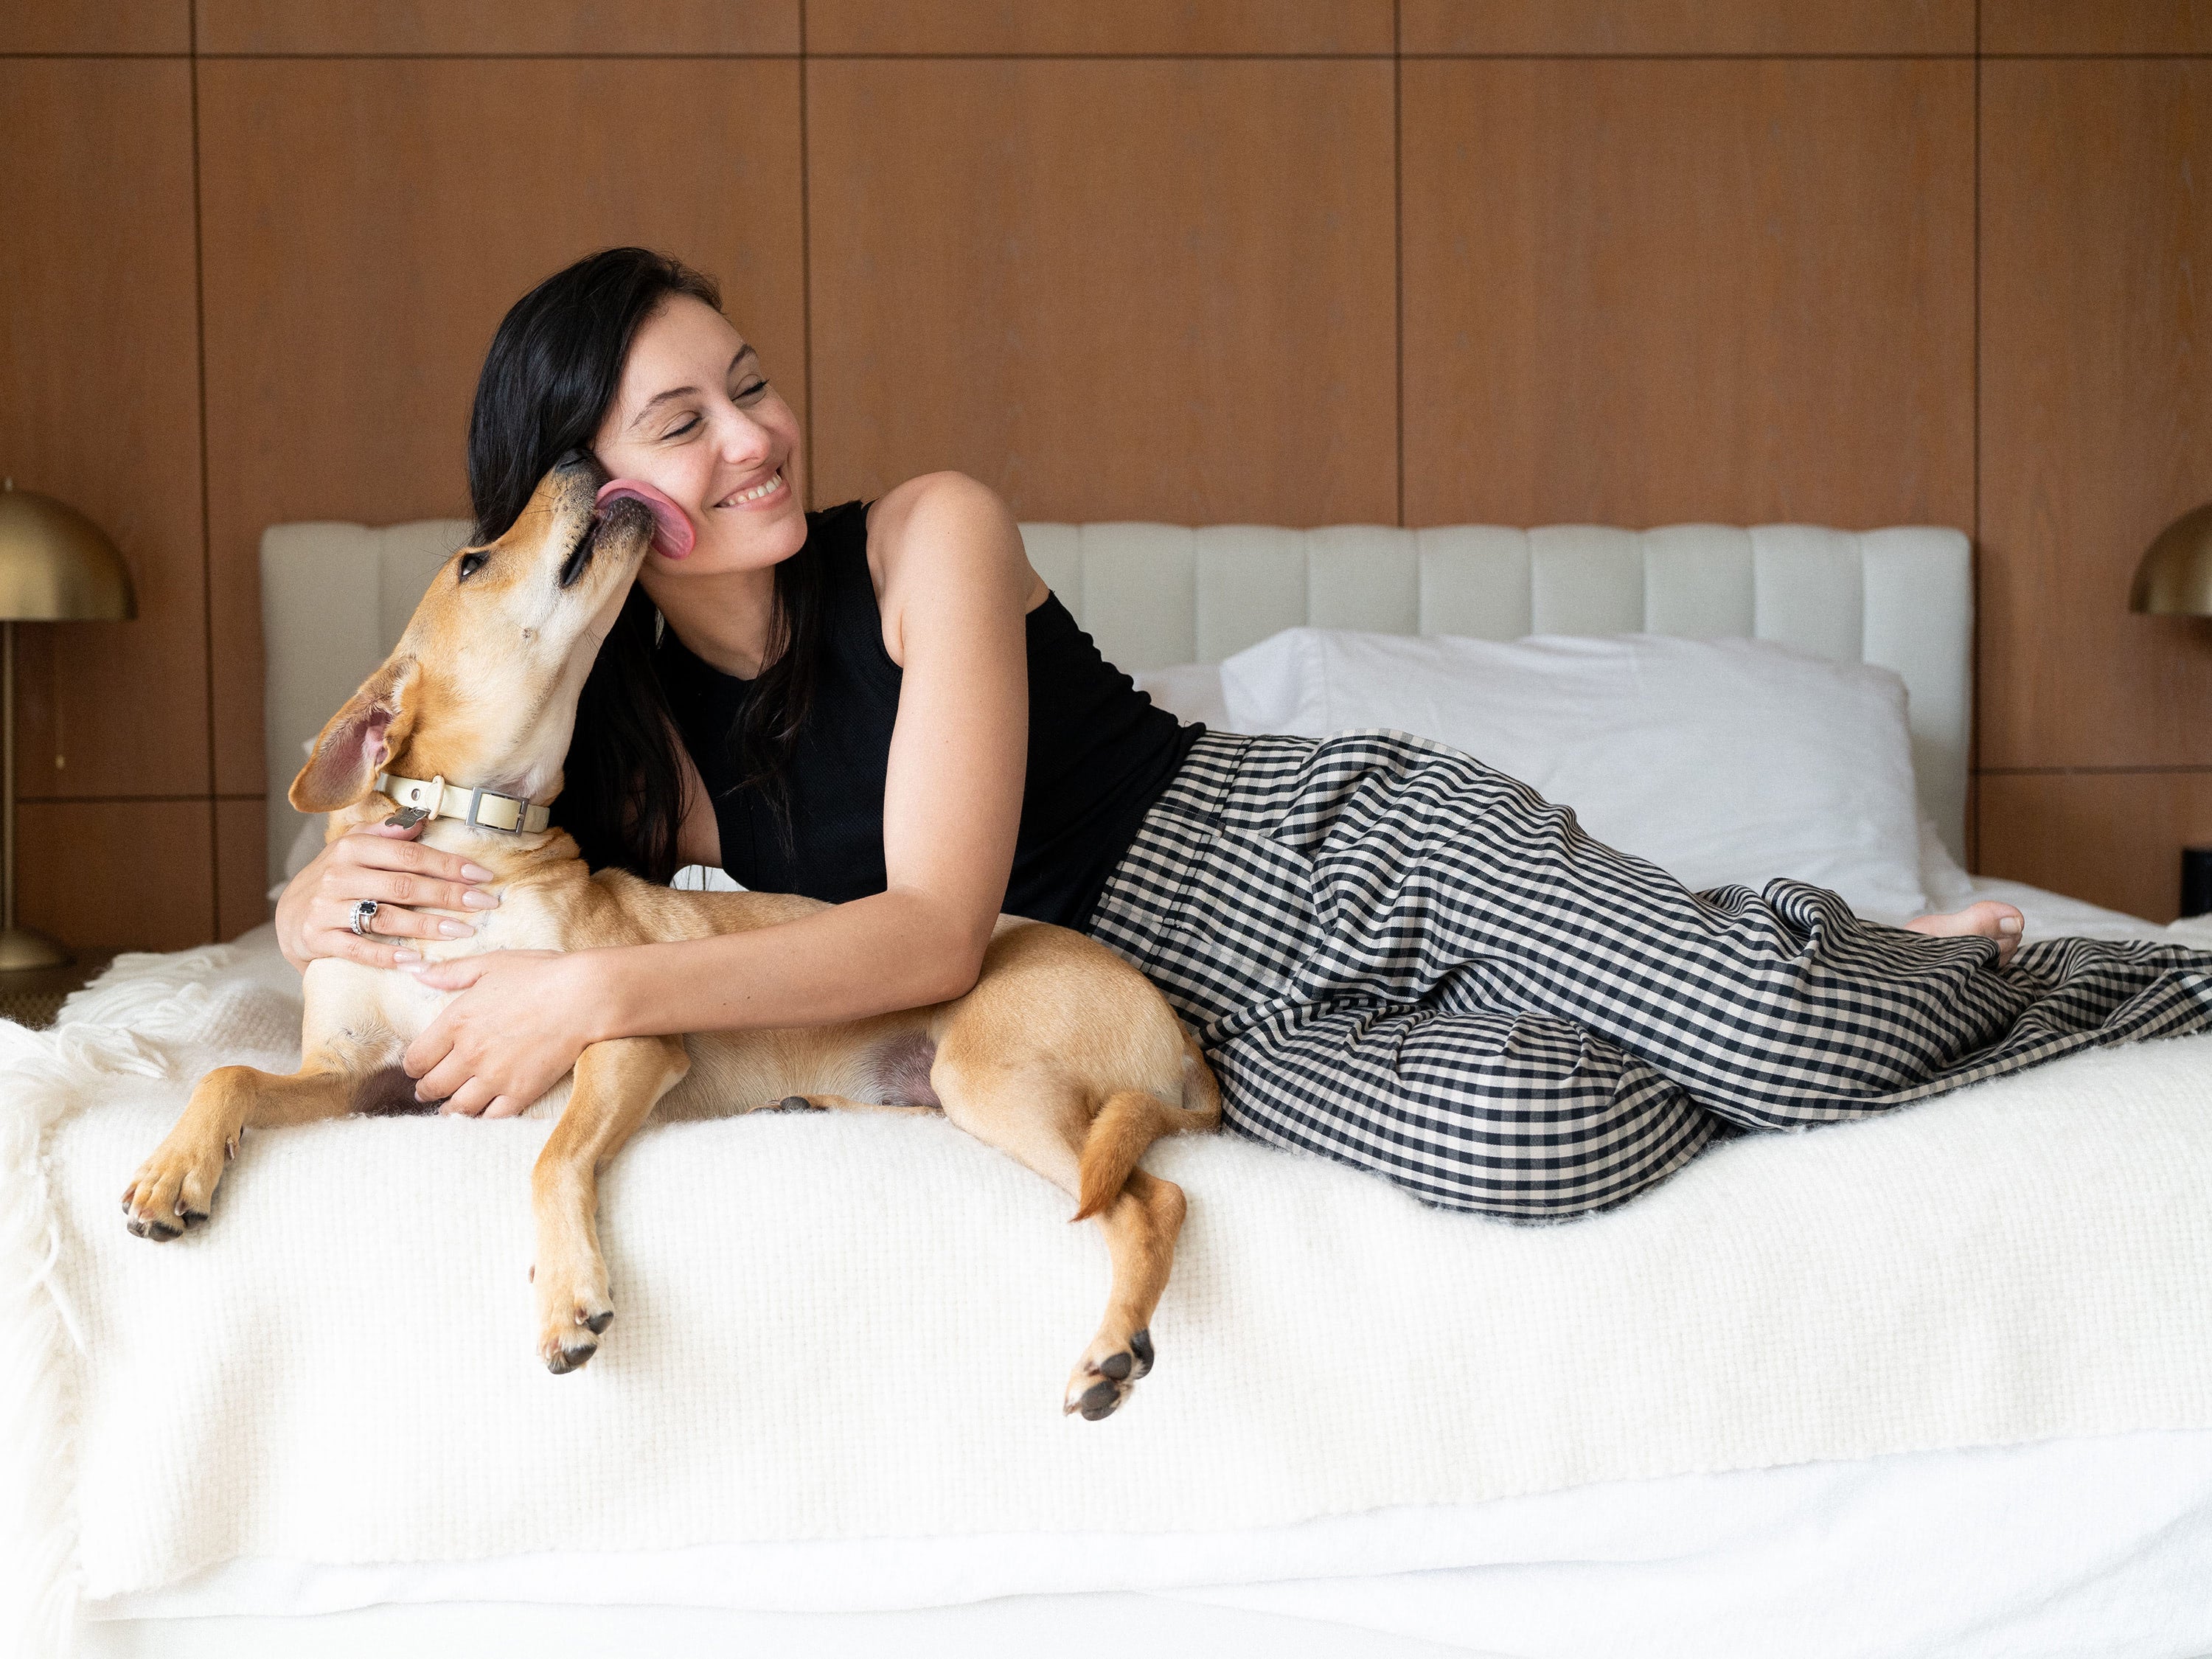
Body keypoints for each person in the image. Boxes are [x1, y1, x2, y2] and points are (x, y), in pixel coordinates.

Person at [273, 248, 2212, 1220]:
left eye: (750, 384)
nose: (756, 436)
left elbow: (940, 937)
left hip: (1334, 850)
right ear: (578, 490)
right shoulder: (594, 742)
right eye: (681, 422)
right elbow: (393, 907)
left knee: (1780, 1033)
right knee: (1545, 1132)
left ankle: (2012, 983)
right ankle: (1753, 964)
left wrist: (601, 1006)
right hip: (1201, 1027)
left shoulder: (932, 536)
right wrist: (307, 919)